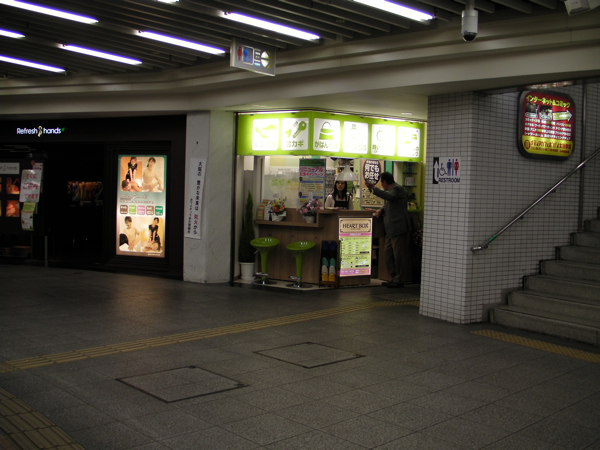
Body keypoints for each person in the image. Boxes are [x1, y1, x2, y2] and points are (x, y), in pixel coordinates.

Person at [365, 172, 409, 288]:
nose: (381, 185)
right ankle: (392, 277)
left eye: (381, 183)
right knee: (388, 254)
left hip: (398, 229)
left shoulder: (398, 189)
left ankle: (399, 279)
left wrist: (374, 188)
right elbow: (390, 204)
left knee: (398, 256)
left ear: (384, 182)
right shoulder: (393, 191)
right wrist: (381, 209)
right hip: (390, 230)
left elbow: (390, 197)